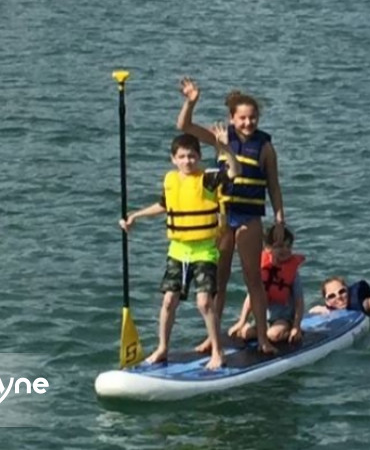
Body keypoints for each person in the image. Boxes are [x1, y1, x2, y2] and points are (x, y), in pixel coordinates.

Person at [176, 77, 285, 354]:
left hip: (249, 218)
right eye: (242, 118)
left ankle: (263, 338)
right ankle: (213, 338)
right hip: (223, 217)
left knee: (253, 279)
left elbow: (273, 186)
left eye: (253, 118)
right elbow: (185, 126)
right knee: (219, 280)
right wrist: (191, 102)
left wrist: (279, 221)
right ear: (232, 119)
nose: (248, 123)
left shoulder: (265, 147)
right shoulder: (220, 138)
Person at [118, 130, 240, 370]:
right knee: (168, 301)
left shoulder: (208, 178)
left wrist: (226, 149)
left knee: (204, 303)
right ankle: (162, 348)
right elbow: (164, 206)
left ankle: (218, 351)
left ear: (199, 157)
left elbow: (235, 172)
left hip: (204, 251)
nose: (187, 161)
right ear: (173, 159)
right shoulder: (171, 180)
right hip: (178, 250)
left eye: (192, 156)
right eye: (182, 157)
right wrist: (135, 216)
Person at [228, 225, 305, 344]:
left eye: (288, 246)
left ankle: (288, 330)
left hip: (283, 319)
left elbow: (299, 302)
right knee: (245, 334)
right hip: (262, 319)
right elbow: (251, 298)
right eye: (280, 246)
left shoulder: (293, 274)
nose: (285, 250)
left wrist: (296, 327)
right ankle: (254, 328)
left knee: (272, 335)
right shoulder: (262, 270)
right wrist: (241, 321)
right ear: (268, 248)